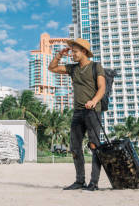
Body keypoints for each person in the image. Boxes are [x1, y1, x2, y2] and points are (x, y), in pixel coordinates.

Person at [48, 38, 105, 191]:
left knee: (94, 146)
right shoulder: (72, 68)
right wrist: (60, 54)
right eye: (71, 51)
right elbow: (52, 68)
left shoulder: (96, 66)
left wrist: (93, 101)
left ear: (84, 52)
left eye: (75, 51)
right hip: (78, 112)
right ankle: (80, 181)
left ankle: (94, 183)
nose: (72, 54)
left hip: (93, 111)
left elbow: (102, 88)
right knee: (74, 147)